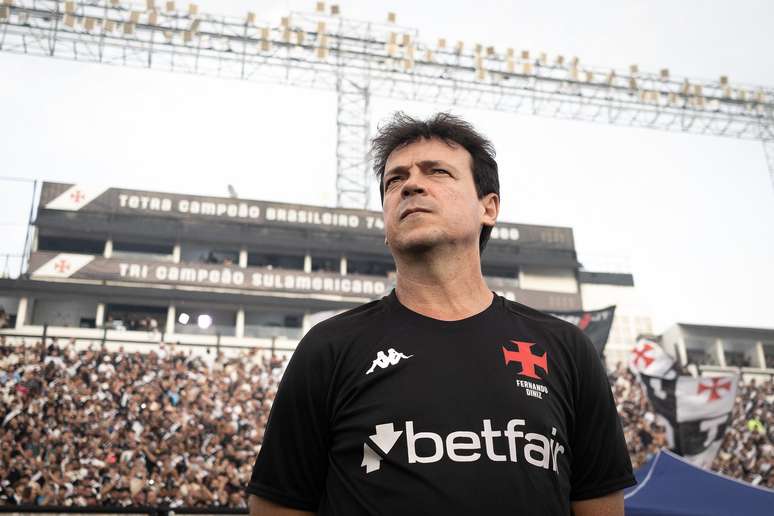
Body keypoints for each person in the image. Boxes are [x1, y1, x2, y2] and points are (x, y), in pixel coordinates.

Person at [245, 112, 635, 515]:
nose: (411, 185)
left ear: (488, 207)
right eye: (394, 180)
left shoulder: (565, 348)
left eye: (437, 172)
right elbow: (279, 505)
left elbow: (598, 503)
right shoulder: (329, 347)